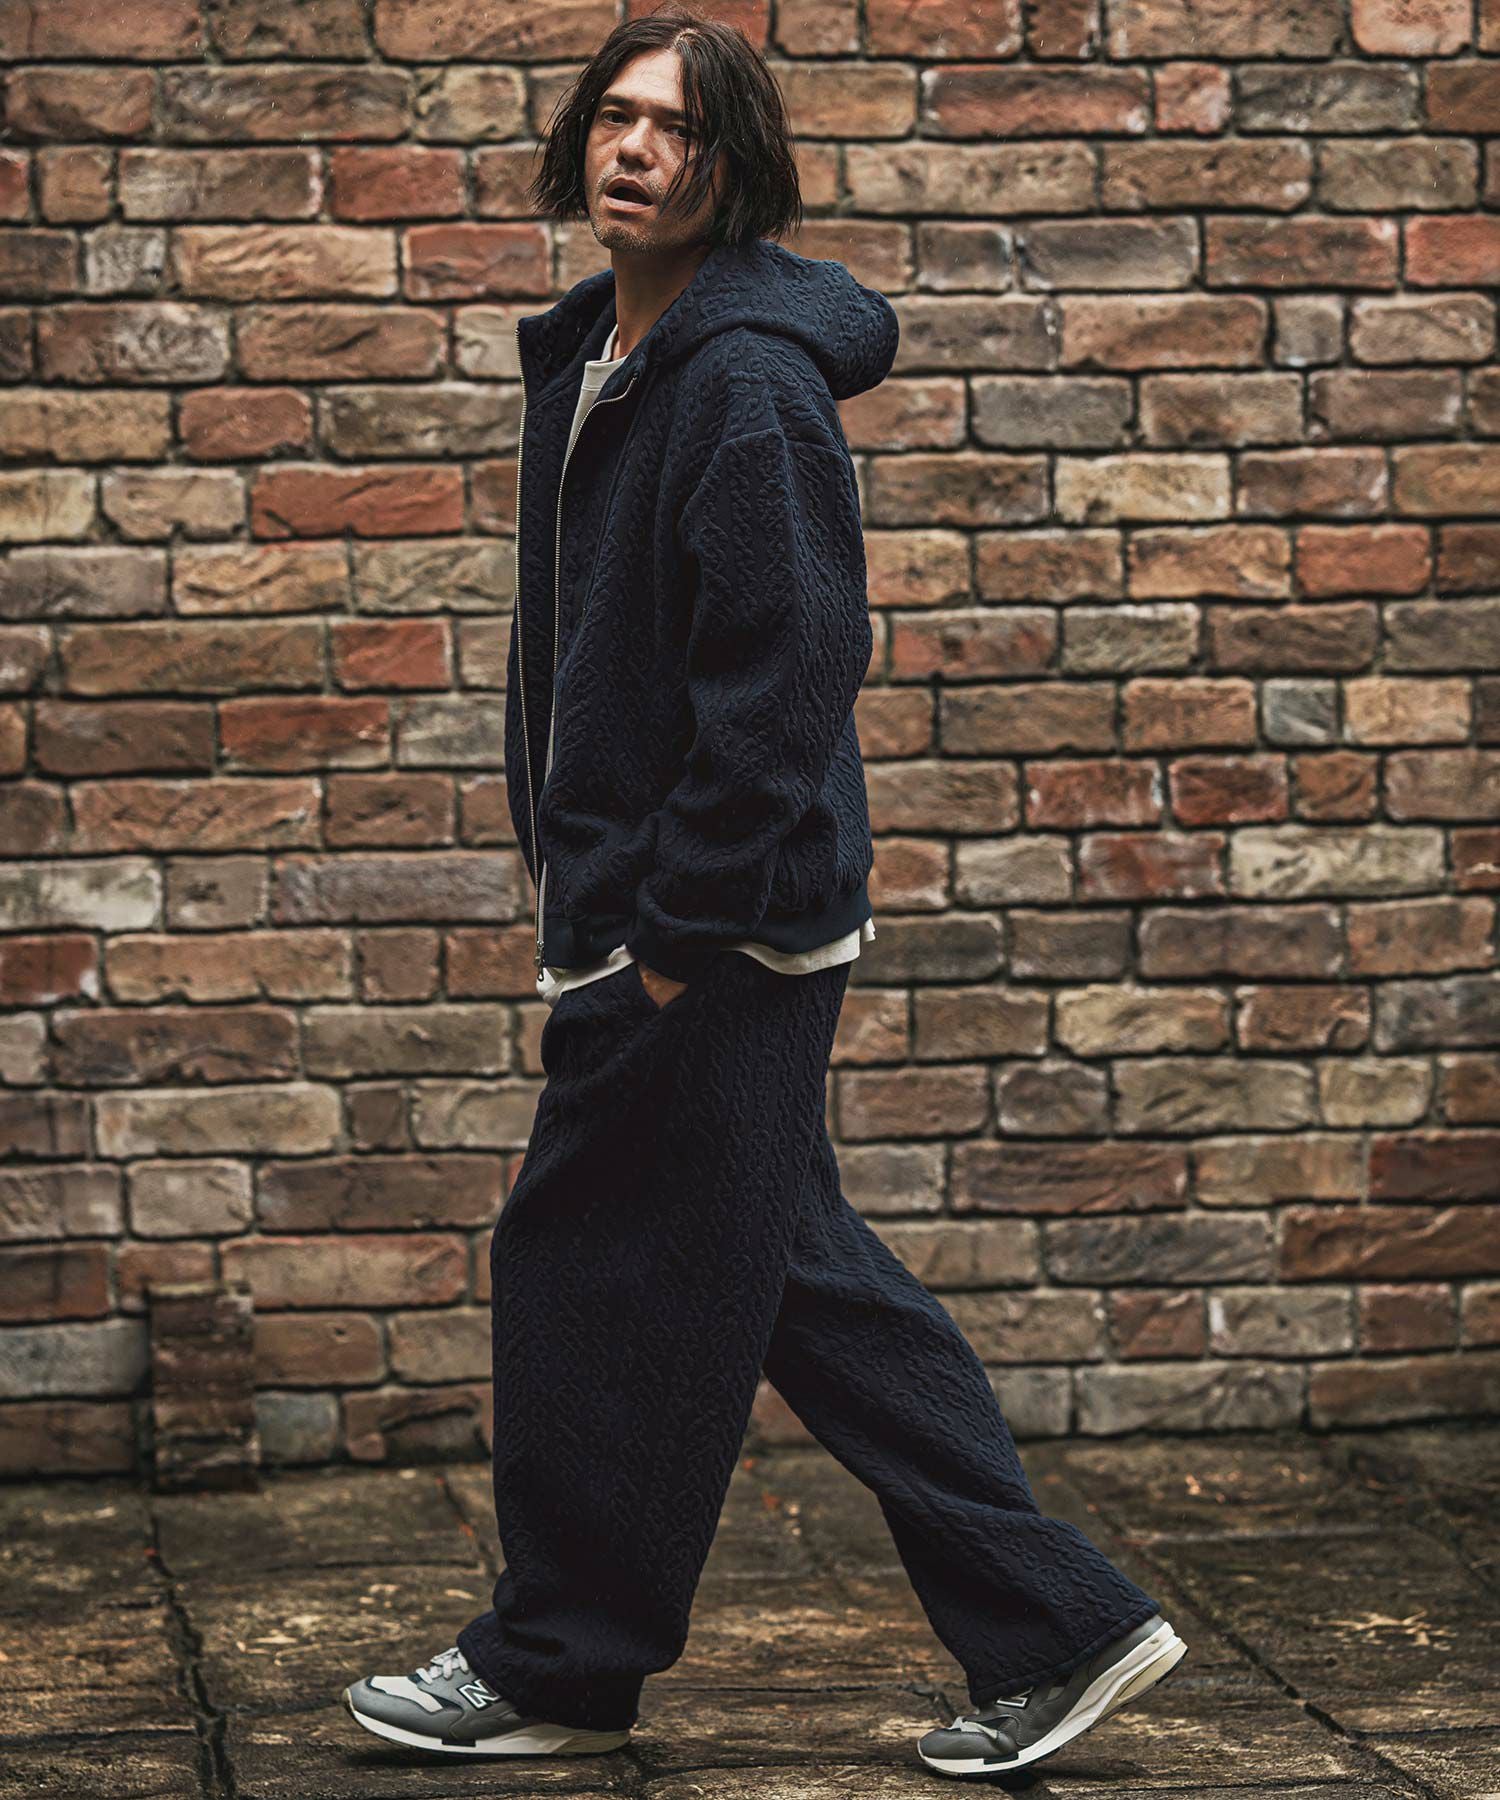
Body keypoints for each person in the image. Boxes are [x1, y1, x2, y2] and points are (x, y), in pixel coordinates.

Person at [342, 4, 1186, 1777]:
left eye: (682, 130)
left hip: (713, 932)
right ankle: (1045, 1627)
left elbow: (789, 673)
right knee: (794, 1279)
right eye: (617, 116)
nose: (638, 148)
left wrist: (673, 936)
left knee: (582, 1271)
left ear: (739, 174)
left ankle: (563, 1659)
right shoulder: (606, 355)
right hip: (657, 915)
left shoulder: (743, 384)